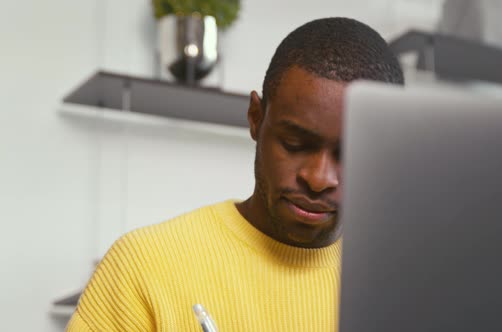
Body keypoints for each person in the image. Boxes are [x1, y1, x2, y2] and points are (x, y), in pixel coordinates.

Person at [67, 17, 404, 331]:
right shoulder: (143, 266)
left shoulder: (402, 289)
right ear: (256, 118)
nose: (318, 178)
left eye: (352, 154)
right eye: (295, 143)